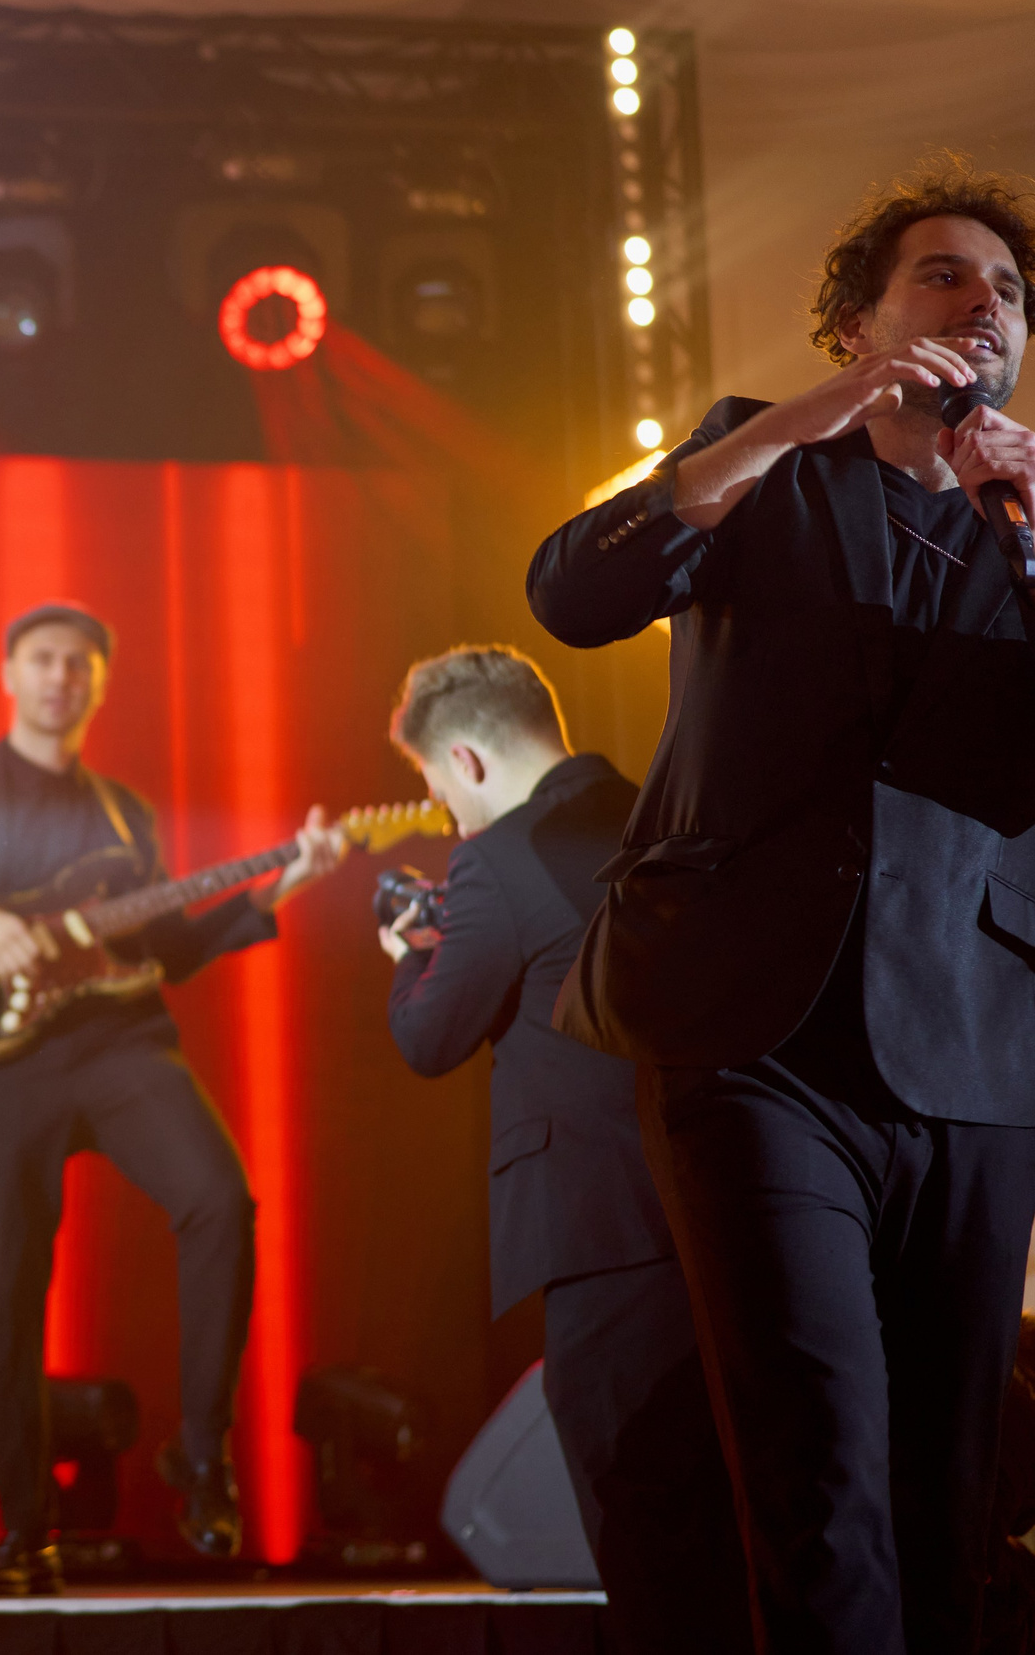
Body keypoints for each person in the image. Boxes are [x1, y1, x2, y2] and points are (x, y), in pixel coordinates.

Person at [526, 155, 1035, 1654]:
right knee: (818, 1454)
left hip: (975, 1040)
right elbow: (574, 590)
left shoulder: (1025, 517)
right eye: (943, 276)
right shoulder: (764, 462)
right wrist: (814, 414)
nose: (982, 305)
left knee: (955, 1484)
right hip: (753, 1033)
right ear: (863, 321)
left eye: (1007, 290)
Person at [0, 604, 347, 1594]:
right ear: (8, 672)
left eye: (79, 663)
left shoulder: (124, 814)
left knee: (219, 1201)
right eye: (43, 659)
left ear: (99, 684)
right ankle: (24, 1536)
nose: (60, 676)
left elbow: (166, 953)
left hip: (116, 1042)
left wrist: (274, 890)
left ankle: (198, 1451)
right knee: (3, 1300)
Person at [376, 645, 748, 1654]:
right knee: (728, 1520)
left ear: (468, 760)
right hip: (722, 1215)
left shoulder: (492, 861)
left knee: (637, 1520)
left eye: (438, 790)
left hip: (599, 1230)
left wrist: (406, 958)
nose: (449, 815)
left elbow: (431, 1038)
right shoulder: (653, 820)